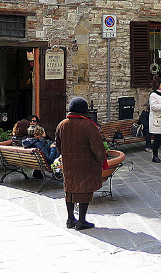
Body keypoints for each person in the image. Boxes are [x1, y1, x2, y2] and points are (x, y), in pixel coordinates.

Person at [55, 97, 107, 230]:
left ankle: (70, 219)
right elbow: (97, 147)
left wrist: (65, 155)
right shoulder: (88, 125)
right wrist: (100, 159)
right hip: (86, 164)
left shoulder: (62, 124)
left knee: (70, 190)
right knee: (85, 190)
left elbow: (58, 145)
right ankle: (82, 221)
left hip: (69, 164)